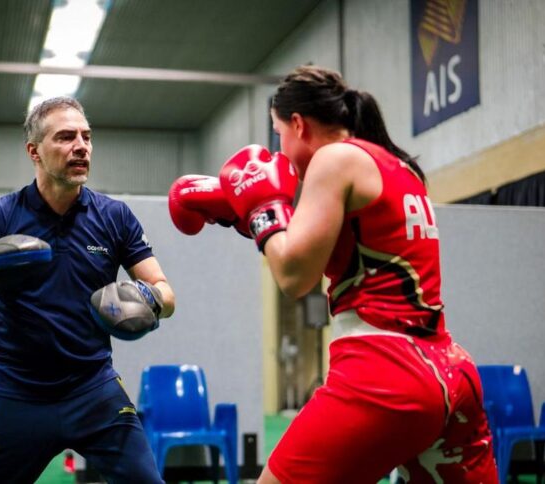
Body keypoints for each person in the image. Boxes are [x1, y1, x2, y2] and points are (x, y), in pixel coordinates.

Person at [172, 65, 498, 483]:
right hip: (451, 370)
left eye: (279, 133)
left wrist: (261, 211)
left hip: (384, 369)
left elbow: (294, 276)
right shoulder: (399, 166)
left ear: (297, 125)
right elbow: (340, 244)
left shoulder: (333, 159)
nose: (280, 147)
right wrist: (250, 217)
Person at [0, 96, 175, 484]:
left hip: (94, 390)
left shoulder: (114, 216)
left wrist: (148, 300)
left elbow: (166, 294)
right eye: (66, 137)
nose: (81, 146)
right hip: (17, 394)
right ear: (34, 151)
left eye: (87, 137)